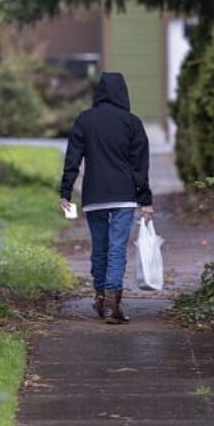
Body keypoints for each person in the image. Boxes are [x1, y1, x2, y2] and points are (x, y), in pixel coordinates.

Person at [59, 71, 153, 325]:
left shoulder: (85, 120)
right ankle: (113, 303)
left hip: (94, 196)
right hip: (124, 196)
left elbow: (73, 158)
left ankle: (101, 298)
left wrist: (65, 192)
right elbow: (139, 165)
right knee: (117, 248)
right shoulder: (132, 123)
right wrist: (145, 200)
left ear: (98, 92)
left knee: (99, 248)